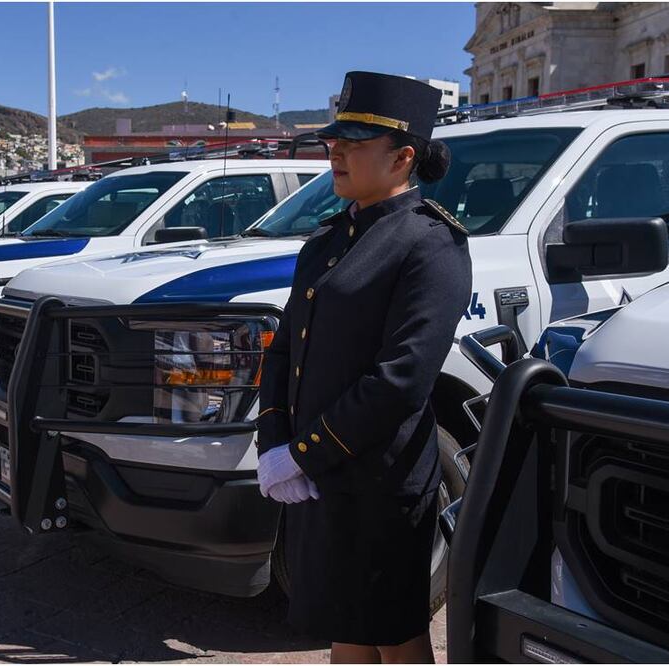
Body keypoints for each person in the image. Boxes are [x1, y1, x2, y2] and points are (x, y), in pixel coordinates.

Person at [255, 72, 472, 664]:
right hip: (320, 478)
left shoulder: (430, 244)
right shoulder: (326, 240)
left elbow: (401, 379)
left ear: (403, 157)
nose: (336, 153)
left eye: (353, 143)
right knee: (343, 626)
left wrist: (301, 454)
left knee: (394, 634)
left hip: (379, 480)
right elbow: (285, 349)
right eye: (334, 142)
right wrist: (273, 439)